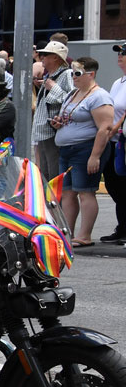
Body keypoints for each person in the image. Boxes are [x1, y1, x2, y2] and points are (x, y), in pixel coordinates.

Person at [53, 57, 116, 248]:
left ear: (91, 74)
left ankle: (85, 235)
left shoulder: (99, 96)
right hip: (67, 149)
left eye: (78, 73)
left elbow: (105, 127)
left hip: (85, 148)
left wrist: (95, 155)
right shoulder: (73, 93)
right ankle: (68, 232)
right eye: (72, 73)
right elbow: (71, 117)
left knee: (85, 192)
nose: (74, 77)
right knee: (67, 192)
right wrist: (58, 123)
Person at [32, 41, 75, 181]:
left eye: (45, 54)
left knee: (54, 175)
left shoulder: (67, 74)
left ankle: (57, 203)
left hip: (54, 133)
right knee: (46, 175)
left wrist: (54, 87)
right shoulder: (49, 76)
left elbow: (74, 100)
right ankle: (51, 203)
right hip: (44, 133)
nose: (41, 57)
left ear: (56, 57)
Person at [101, 43, 126, 243]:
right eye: (119, 52)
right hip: (114, 141)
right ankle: (123, 226)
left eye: (124, 53)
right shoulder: (118, 82)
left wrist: (116, 127)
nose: (120, 56)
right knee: (113, 183)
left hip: (121, 138)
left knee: (123, 184)